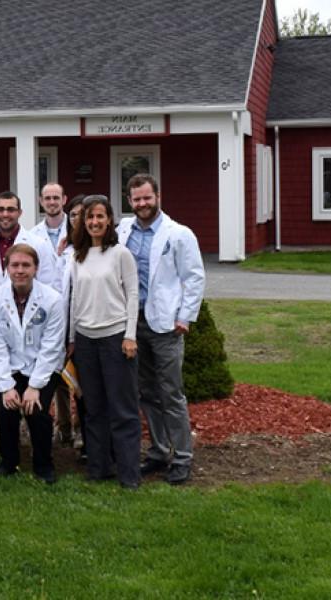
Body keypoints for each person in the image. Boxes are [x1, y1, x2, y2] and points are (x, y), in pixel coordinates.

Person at [116, 174, 205, 486]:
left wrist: (186, 316)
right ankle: (158, 451)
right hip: (131, 323)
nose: (142, 204)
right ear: (129, 201)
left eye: (147, 198)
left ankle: (182, 457)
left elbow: (194, 277)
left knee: (171, 393)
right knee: (147, 393)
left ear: (157, 196)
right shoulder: (123, 230)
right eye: (136, 199)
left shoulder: (178, 234)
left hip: (166, 325)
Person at [66, 195, 141, 489]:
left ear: (109, 219)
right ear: (83, 222)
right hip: (86, 341)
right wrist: (72, 339)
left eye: (100, 216)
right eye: (89, 218)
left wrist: (130, 335)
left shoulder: (120, 254)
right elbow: (74, 300)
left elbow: (133, 294)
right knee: (93, 409)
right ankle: (98, 469)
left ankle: (129, 474)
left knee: (122, 410)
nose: (94, 222)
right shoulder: (77, 256)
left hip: (115, 339)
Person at [0, 244, 66, 483]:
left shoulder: (52, 299)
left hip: (43, 366)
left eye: (26, 265)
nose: (20, 270)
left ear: (36, 268)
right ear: (6, 268)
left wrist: (35, 386)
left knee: (36, 409)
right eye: (15, 265)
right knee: (6, 409)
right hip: (10, 366)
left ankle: (43, 464)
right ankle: (8, 461)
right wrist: (6, 385)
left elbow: (51, 347)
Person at [0, 191, 59, 290]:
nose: (5, 214)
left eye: (11, 210)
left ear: (19, 213)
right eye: (0, 209)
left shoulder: (38, 244)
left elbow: (47, 284)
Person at [55, 194, 87, 450]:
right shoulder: (64, 249)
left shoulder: (103, 248)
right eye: (73, 214)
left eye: (82, 213)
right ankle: (65, 430)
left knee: (86, 388)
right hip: (64, 326)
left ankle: (87, 437)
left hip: (88, 327)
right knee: (64, 380)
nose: (77, 218)